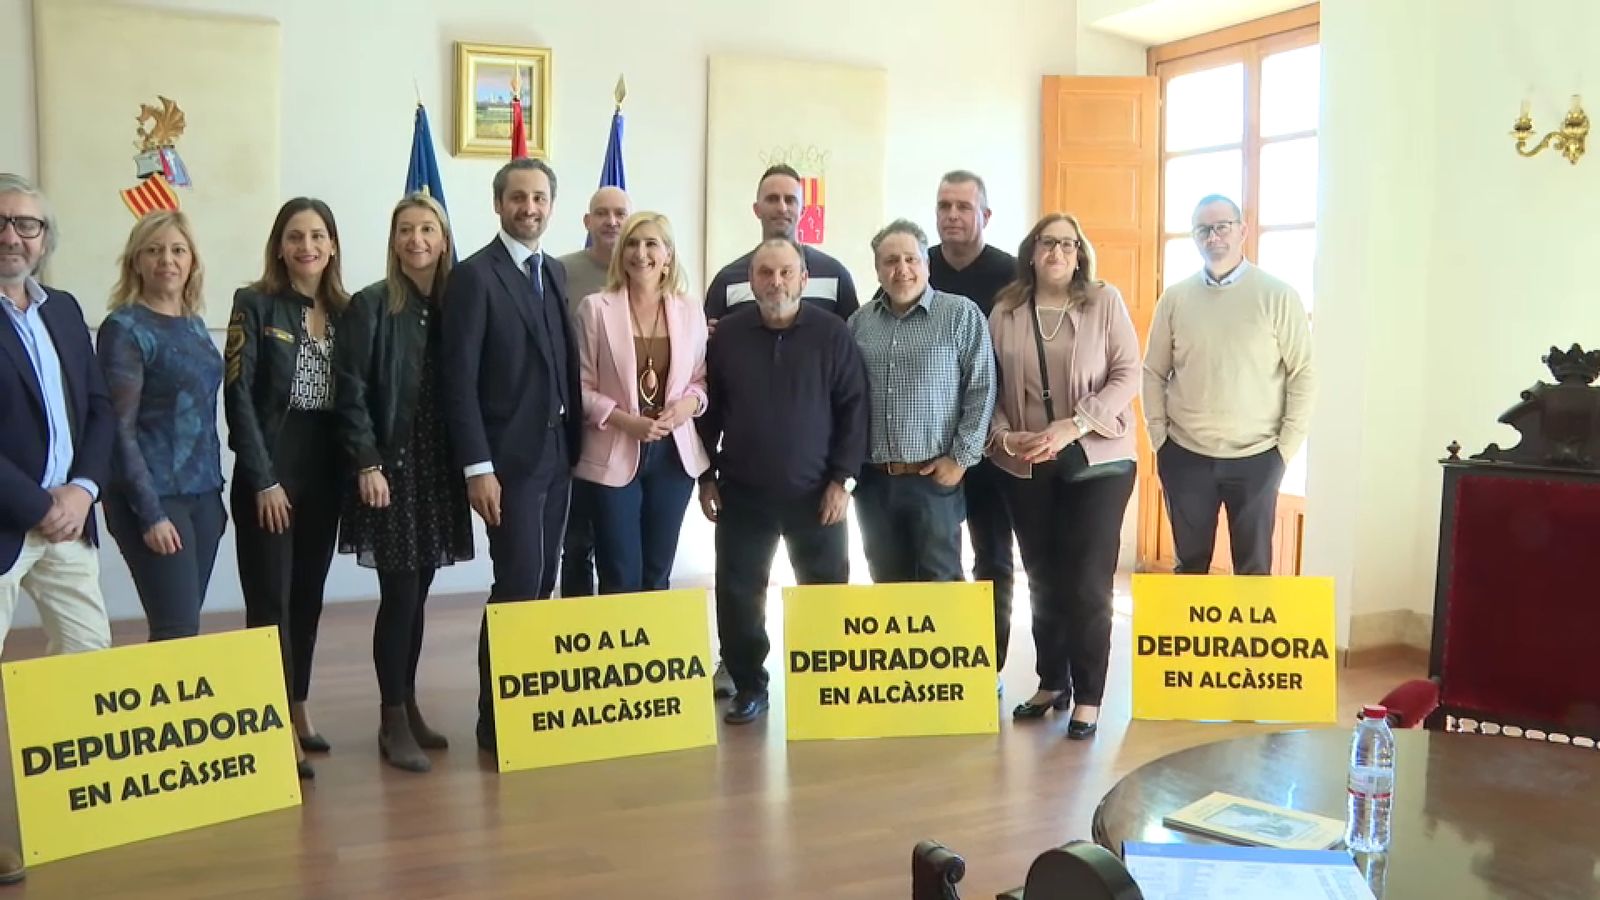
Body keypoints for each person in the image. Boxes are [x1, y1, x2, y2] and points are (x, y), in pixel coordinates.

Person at [441, 158, 582, 754]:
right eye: (518, 197)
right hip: (507, 463)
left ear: (551, 205)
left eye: (539, 198)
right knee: (516, 585)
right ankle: (494, 720)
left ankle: (527, 706)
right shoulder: (475, 277)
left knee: (543, 583)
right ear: (498, 204)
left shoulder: (554, 271)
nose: (530, 208)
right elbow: (458, 382)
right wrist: (478, 468)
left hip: (558, 453)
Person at [697, 238, 868, 724]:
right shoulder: (728, 336)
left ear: (803, 279)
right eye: (766, 273)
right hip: (742, 494)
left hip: (818, 495)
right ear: (751, 281)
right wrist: (706, 477)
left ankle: (823, 685)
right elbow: (708, 412)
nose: (776, 282)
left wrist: (843, 481)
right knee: (738, 595)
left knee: (824, 591)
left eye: (786, 272)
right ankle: (749, 684)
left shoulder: (832, 333)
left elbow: (855, 409)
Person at [334, 192, 473, 773]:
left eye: (427, 230)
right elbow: (350, 389)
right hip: (391, 468)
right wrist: (367, 463)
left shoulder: (455, 304)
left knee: (419, 595)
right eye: (406, 230)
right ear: (393, 242)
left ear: (443, 239)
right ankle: (391, 719)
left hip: (438, 467)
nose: (417, 239)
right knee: (399, 596)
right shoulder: (371, 304)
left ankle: (409, 703)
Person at [0, 173, 113, 884]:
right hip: (8, 523)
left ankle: (67, 808)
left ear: (45, 239)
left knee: (87, 659)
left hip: (69, 523)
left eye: (26, 224)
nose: (12, 236)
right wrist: (37, 504)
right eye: (1, 222)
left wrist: (82, 491)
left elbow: (98, 409)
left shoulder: (64, 310)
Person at [986, 214, 1138, 740]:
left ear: (1079, 255)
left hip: (1099, 459)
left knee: (1089, 581)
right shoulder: (1005, 311)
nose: (1057, 252)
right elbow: (988, 385)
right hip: (1026, 460)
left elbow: (1128, 373)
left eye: (1068, 245)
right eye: (1048, 243)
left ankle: (1090, 696)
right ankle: (1052, 682)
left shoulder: (1104, 301)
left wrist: (1074, 425)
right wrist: (1006, 438)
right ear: (1031, 252)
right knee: (1042, 577)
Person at [225, 197, 349, 779]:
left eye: (317, 236)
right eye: (295, 236)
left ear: (332, 245)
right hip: (271, 470)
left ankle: (297, 706)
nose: (307, 246)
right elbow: (239, 398)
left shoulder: (348, 310)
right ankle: (271, 722)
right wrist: (264, 478)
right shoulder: (254, 303)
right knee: (270, 600)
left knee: (307, 597)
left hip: (325, 472)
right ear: (279, 246)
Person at [1142, 195, 1316, 575]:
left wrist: (1285, 448)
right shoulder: (1175, 299)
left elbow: (1303, 372)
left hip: (1258, 456)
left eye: (1222, 226)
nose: (1213, 236)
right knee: (1189, 568)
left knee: (1254, 571)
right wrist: (1159, 439)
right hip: (1185, 454)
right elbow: (1153, 371)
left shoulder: (1278, 296)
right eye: (1203, 229)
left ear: (1242, 231)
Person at [97, 211, 226, 642]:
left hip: (203, 496)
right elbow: (119, 430)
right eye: (153, 250)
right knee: (176, 630)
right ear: (136, 261)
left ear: (192, 261)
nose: (166, 260)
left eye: (177, 250)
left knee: (183, 629)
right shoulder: (124, 328)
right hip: (153, 498)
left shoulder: (193, 324)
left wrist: (215, 504)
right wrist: (150, 514)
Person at [849, 219, 995, 585]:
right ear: (877, 270)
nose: (902, 269)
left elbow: (982, 388)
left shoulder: (960, 314)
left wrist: (961, 459)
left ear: (926, 265)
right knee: (887, 583)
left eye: (911, 259)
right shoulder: (859, 323)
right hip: (874, 482)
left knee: (940, 581)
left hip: (934, 478)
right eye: (891, 261)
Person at [574, 212, 708, 594]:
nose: (641, 253)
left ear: (668, 255)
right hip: (613, 452)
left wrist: (686, 407)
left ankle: (654, 637)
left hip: (673, 457)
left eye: (652, 244)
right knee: (620, 575)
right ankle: (619, 637)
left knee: (657, 575)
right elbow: (579, 388)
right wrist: (624, 420)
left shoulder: (689, 309)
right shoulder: (595, 308)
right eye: (632, 244)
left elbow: (700, 380)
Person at [927, 169, 1020, 674]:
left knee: (993, 556)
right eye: (944, 206)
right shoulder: (917, 266)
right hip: (929, 442)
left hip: (992, 439)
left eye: (963, 207)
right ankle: (937, 661)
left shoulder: (1013, 275)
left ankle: (989, 666)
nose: (953, 215)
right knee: (934, 557)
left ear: (985, 215)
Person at [556, 185, 631, 598]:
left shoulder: (645, 271)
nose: (611, 221)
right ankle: (577, 623)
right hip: (577, 426)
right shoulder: (560, 271)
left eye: (620, 213)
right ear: (587, 221)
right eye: (602, 213)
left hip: (629, 432)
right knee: (576, 543)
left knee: (619, 549)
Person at [703, 164, 859, 327]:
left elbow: (851, 336)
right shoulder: (727, 281)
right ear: (757, 209)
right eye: (772, 199)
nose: (782, 208)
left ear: (802, 210)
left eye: (790, 200)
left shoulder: (835, 275)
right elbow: (709, 337)